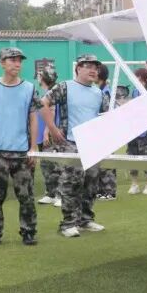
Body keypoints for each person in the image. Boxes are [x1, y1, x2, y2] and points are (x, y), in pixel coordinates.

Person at [40, 54, 108, 237]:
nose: (93, 70)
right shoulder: (65, 87)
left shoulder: (98, 93)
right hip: (71, 142)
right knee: (71, 182)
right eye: (88, 66)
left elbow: (105, 117)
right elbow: (43, 104)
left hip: (92, 144)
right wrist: (52, 129)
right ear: (78, 68)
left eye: (96, 67)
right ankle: (68, 223)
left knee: (91, 182)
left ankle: (85, 219)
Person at [0, 47, 38, 247]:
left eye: (19, 60)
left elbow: (33, 119)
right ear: (2, 63)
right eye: (12, 60)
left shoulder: (29, 88)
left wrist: (33, 147)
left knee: (26, 196)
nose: (17, 64)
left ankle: (28, 231)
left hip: (22, 152)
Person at [126, 67, 147, 196]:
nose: (136, 80)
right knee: (132, 157)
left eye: (138, 78)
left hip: (146, 132)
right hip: (133, 130)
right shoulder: (134, 92)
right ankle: (135, 184)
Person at [36, 67, 63, 207]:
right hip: (42, 135)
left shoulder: (52, 94)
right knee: (46, 164)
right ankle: (50, 193)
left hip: (51, 134)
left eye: (40, 75)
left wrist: (47, 131)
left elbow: (51, 113)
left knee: (56, 165)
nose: (38, 77)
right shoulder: (46, 92)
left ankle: (60, 194)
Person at [95, 63, 117, 201]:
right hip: (100, 131)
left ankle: (110, 191)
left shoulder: (106, 92)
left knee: (108, 161)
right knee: (100, 161)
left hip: (106, 131)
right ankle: (101, 189)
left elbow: (107, 112)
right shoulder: (100, 90)